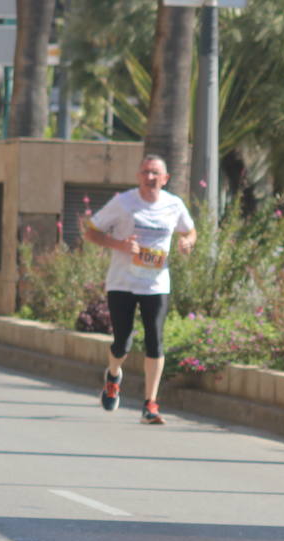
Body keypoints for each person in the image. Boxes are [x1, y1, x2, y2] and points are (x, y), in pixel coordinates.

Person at [82, 154, 196, 425]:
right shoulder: (123, 203)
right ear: (138, 176)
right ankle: (113, 376)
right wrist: (119, 245)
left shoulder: (174, 204)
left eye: (156, 173)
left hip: (156, 284)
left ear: (165, 179)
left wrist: (187, 243)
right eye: (146, 172)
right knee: (122, 342)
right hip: (122, 282)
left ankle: (151, 404)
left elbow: (190, 231)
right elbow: (91, 232)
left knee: (155, 340)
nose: (150, 178)